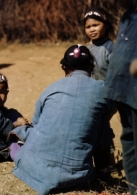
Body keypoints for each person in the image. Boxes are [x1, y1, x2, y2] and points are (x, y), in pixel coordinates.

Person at [8, 45, 116, 195]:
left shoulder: (52, 88)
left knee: (23, 132)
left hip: (32, 169)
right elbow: (111, 108)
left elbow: (37, 122)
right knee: (102, 122)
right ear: (92, 67)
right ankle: (103, 170)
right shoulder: (102, 89)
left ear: (64, 67)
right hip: (76, 177)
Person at [104, 0, 137, 194]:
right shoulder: (129, 16)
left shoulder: (129, 15)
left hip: (121, 82)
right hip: (128, 85)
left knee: (130, 138)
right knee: (131, 138)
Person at [84, 7, 117, 172]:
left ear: (106, 25)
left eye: (96, 25)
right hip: (92, 95)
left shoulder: (110, 48)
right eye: (88, 26)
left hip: (108, 96)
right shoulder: (86, 48)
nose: (92, 29)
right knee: (99, 126)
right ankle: (107, 163)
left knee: (100, 125)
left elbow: (119, 74)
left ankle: (106, 164)